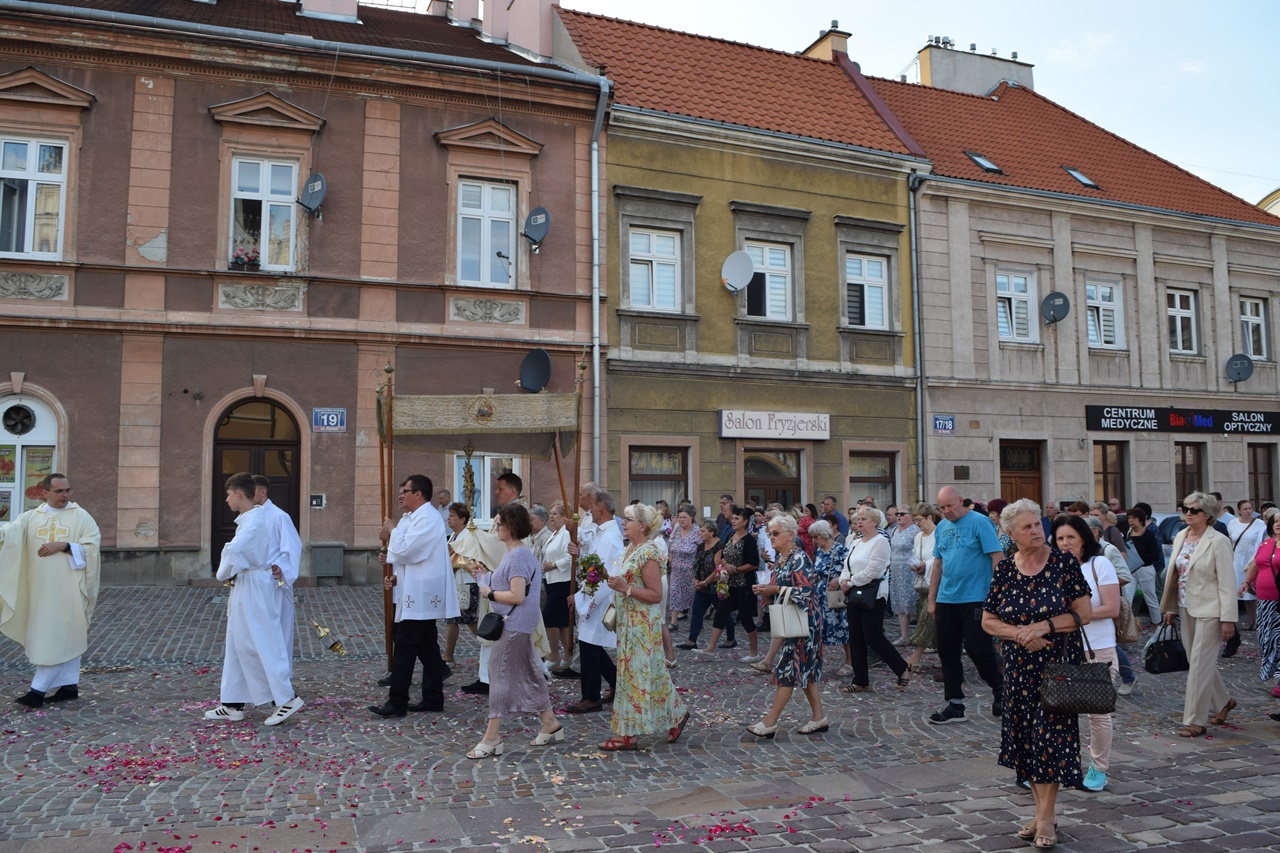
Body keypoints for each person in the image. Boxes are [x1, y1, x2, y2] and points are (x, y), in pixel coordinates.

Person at [983, 499, 1092, 850]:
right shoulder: (1005, 570)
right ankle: (1040, 811)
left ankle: (1046, 817)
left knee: (1050, 739)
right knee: (1027, 742)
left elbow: (1083, 613)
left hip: (1057, 668)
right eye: (1027, 527)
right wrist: (1019, 634)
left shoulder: (1063, 563)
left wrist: (1042, 626)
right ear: (1011, 534)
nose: (1037, 531)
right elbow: (988, 620)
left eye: (1037, 524)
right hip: (1018, 668)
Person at [466, 503, 564, 757]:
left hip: (515, 623)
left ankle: (492, 736)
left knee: (497, 674)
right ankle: (550, 722)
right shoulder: (517, 553)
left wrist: (489, 591)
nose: (497, 527)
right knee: (530, 671)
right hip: (518, 623)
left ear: (511, 526)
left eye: (500, 523)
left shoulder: (519, 555)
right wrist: (487, 576)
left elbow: (517, 595)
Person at [209, 472, 303, 725]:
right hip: (248, 583)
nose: (227, 500)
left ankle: (286, 698)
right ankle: (232, 702)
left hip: (259, 585)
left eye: (229, 495)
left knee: (264, 641)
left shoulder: (257, 522)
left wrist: (225, 566)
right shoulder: (250, 519)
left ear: (239, 494)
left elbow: (235, 552)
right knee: (239, 643)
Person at [0, 473, 100, 709]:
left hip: (69, 590)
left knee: (56, 636)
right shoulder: (30, 518)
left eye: (67, 490)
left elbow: (93, 548)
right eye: (59, 491)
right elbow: (8, 536)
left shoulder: (81, 516)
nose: (64, 495)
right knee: (62, 635)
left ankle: (37, 691)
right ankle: (69, 686)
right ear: (44, 493)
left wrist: (64, 546)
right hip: (39, 590)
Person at [600, 503, 689, 750]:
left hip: (641, 626)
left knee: (633, 677)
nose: (623, 523)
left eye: (628, 519)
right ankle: (677, 714)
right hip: (628, 623)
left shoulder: (648, 552)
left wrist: (625, 588)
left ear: (642, 526)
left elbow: (656, 594)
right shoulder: (630, 549)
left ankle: (629, 733)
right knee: (654, 673)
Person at [370, 475, 459, 718]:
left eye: (405, 491)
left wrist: (393, 530)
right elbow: (406, 554)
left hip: (423, 591)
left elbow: (410, 549)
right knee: (427, 646)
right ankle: (433, 697)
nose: (401, 495)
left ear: (418, 493)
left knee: (405, 645)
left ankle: (397, 702)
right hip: (414, 588)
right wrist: (395, 573)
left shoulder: (428, 518)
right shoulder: (415, 517)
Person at [1160, 492, 1238, 737]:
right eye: (1185, 509)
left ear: (1208, 515)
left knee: (1199, 667)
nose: (1188, 513)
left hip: (1211, 610)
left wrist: (1228, 619)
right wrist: (1171, 608)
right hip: (1185, 606)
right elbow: (1176, 576)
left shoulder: (1218, 541)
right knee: (1197, 662)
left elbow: (1227, 582)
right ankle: (1224, 700)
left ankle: (1195, 720)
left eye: (1194, 510)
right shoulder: (1181, 536)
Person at [1053, 514, 1120, 793]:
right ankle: (1063, 765)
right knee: (1057, 710)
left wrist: (1074, 616)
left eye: (1071, 537)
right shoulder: (1054, 567)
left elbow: (1112, 608)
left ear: (1084, 538)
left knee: (1097, 713)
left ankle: (1098, 768)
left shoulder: (1099, 564)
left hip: (1098, 647)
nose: (1065, 543)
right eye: (1059, 538)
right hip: (1064, 648)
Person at [745, 513, 827, 736]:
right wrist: (766, 592)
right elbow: (780, 588)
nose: (771, 537)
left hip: (805, 623)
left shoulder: (799, 558)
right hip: (794, 622)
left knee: (787, 672)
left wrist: (776, 590)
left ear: (790, 535)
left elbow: (807, 592)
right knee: (805, 674)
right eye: (770, 533)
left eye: (775, 533)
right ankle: (819, 717)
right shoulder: (781, 560)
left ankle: (770, 722)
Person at [928, 486, 1004, 724]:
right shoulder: (941, 527)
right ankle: (955, 704)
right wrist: (932, 599)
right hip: (947, 598)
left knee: (977, 648)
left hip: (976, 596)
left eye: (950, 506)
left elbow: (996, 557)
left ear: (961, 501)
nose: (946, 511)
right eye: (942, 507)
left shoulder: (980, 522)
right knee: (947, 650)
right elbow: (937, 564)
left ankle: (999, 687)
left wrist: (997, 594)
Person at [564, 490, 625, 713]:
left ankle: (591, 696)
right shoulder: (601, 533)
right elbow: (593, 562)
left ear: (601, 508)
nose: (590, 511)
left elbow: (603, 572)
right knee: (592, 646)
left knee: (590, 647)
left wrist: (583, 599)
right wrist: (579, 554)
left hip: (598, 598)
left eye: (593, 507)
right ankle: (618, 683)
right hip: (592, 594)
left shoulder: (610, 536)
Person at [839, 506, 910, 693]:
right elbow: (847, 565)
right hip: (853, 593)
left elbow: (875, 570)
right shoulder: (856, 542)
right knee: (855, 637)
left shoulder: (880, 541)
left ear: (874, 522)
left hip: (873, 594)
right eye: (858, 519)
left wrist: (851, 582)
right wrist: (843, 580)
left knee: (873, 636)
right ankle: (860, 679)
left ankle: (901, 667)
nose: (859, 522)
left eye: (863, 518)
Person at [250, 474, 301, 678]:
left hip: (274, 581)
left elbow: (293, 547)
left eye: (251, 490)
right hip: (255, 582)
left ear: (263, 492)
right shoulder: (250, 516)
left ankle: (281, 678)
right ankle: (261, 678)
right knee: (258, 631)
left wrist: (280, 566)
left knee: (279, 632)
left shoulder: (280, 516)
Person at [695, 505, 761, 660]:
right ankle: (710, 648)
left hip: (743, 585)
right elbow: (723, 554)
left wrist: (736, 569)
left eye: (737, 518)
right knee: (720, 614)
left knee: (745, 619)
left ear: (745, 521)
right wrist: (726, 564)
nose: (733, 521)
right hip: (728, 584)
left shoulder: (749, 540)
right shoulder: (731, 536)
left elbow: (754, 563)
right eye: (732, 518)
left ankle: (754, 652)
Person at [1240, 511, 1280, 699]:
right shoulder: (1266, 544)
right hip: (1264, 601)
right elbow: (1256, 564)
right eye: (1276, 521)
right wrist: (1247, 582)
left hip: (1279, 602)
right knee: (1266, 638)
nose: (1278, 524)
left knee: (1279, 640)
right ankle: (1274, 674)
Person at [810, 520, 850, 677]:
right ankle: (816, 661)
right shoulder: (820, 551)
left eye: (816, 536)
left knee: (844, 629)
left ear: (824, 535)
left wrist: (838, 578)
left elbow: (850, 569)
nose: (814, 540)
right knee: (819, 629)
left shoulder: (839, 550)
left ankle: (850, 662)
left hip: (835, 596)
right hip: (820, 594)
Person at [905, 503, 939, 676]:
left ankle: (916, 656)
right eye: (915, 520)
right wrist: (916, 565)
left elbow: (940, 559)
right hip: (923, 584)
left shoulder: (939, 534)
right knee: (930, 620)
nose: (917, 523)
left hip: (939, 584)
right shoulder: (918, 537)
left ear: (930, 518)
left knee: (928, 618)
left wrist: (927, 564)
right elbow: (913, 556)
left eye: (919, 520)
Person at [443, 502, 479, 665]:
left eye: (452, 516)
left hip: (466, 581)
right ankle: (448, 655)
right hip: (454, 582)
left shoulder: (468, 536)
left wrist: (453, 563)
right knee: (452, 619)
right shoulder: (452, 536)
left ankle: (490, 647)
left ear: (463, 519)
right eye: (449, 515)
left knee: (470, 619)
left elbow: (468, 559)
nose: (449, 518)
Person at [540, 501, 573, 671]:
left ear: (564, 517)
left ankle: (554, 655)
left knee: (549, 619)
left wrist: (553, 564)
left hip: (563, 581)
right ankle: (568, 656)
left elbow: (570, 557)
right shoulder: (555, 534)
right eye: (550, 513)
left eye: (555, 514)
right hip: (552, 581)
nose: (551, 517)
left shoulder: (567, 533)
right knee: (562, 623)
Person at [679, 521, 722, 650]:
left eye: (703, 531)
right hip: (701, 586)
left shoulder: (719, 546)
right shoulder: (701, 546)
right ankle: (692, 640)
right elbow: (696, 564)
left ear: (711, 532)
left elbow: (718, 568)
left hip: (714, 585)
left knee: (722, 613)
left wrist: (705, 582)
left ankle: (731, 638)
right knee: (697, 612)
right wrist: (695, 580)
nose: (700, 533)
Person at [1228, 499, 1265, 636]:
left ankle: (1256, 620)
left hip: (1252, 561)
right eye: (1245, 509)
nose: (1248, 511)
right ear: (1239, 511)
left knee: (1253, 593)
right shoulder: (1233, 523)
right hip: (1236, 560)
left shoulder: (1260, 524)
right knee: (1240, 593)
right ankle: (1243, 621)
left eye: (1250, 508)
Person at [888, 506, 921, 645]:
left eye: (902, 514)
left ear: (910, 516)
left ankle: (920, 636)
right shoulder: (895, 529)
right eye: (897, 514)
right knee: (900, 602)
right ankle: (904, 635)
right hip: (896, 571)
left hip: (909, 571)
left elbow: (918, 550)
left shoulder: (915, 531)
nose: (899, 516)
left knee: (913, 601)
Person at [1125, 506, 1164, 625]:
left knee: (1150, 598)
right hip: (1131, 569)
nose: (1131, 520)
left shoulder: (1148, 534)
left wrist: (1138, 557)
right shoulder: (1129, 533)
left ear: (1141, 519)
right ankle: (1125, 626)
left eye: (1134, 518)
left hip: (1145, 569)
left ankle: (1156, 623)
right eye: (1129, 518)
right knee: (1127, 599)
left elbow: (1155, 555)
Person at [667, 505, 698, 628]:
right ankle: (674, 621)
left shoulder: (697, 531)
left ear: (691, 517)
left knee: (692, 596)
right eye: (679, 517)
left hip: (691, 569)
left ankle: (697, 620)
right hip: (676, 568)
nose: (681, 520)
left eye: (684, 517)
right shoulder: (678, 529)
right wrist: (670, 556)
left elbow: (702, 549)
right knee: (674, 593)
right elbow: (671, 542)